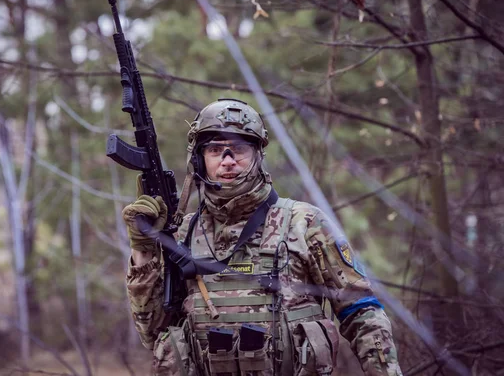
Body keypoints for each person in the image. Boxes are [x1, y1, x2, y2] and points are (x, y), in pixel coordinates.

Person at [123, 98, 403, 376]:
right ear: (199, 159)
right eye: (215, 150)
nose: (228, 160)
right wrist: (143, 247)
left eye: (239, 148)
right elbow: (153, 333)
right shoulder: (183, 233)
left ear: (258, 154)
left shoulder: (303, 223)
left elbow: (362, 313)